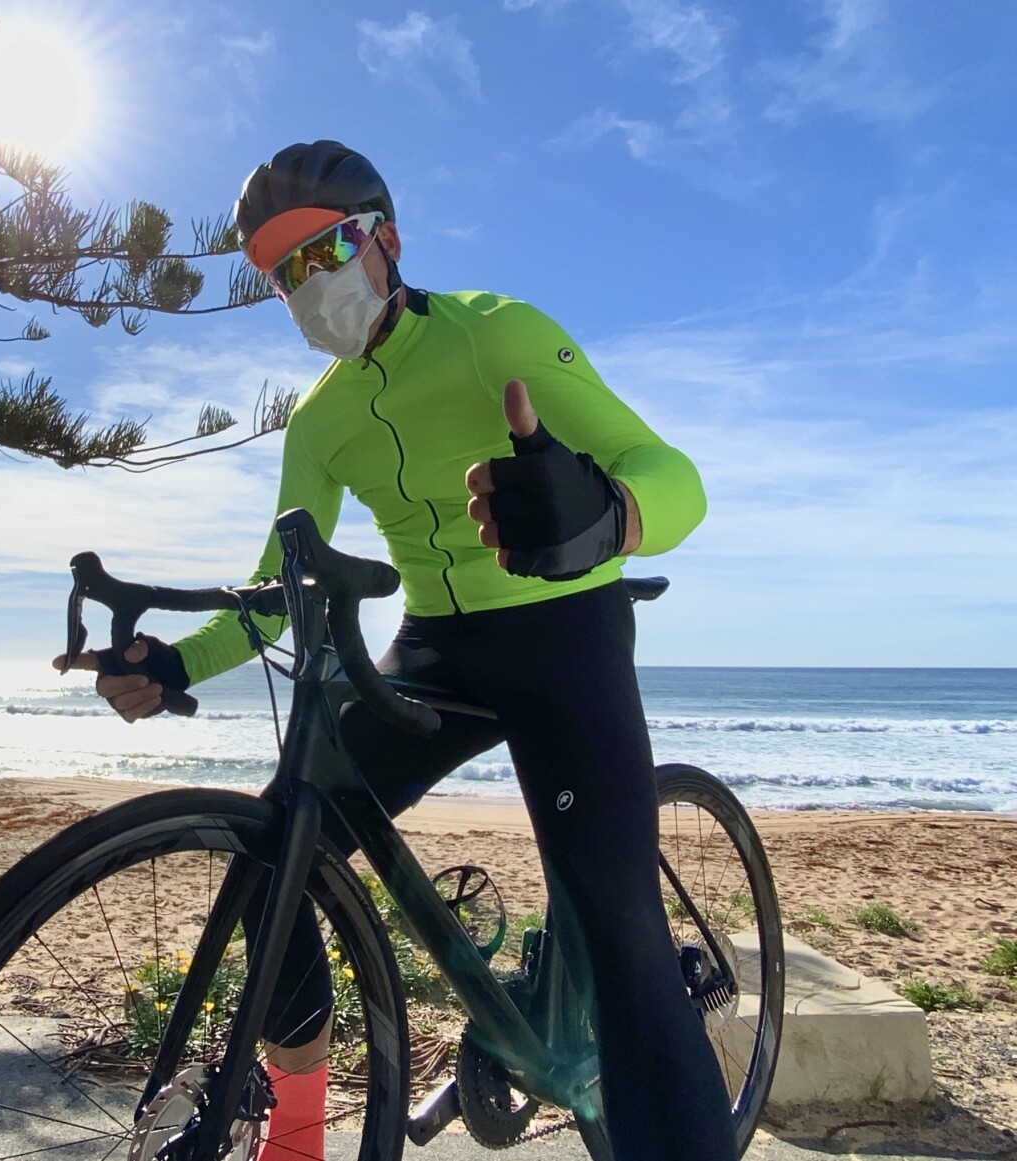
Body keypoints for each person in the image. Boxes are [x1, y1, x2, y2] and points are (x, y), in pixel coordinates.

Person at [58, 141, 732, 1161]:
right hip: (434, 651)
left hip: (563, 631)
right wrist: (176, 665)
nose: (307, 285)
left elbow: (670, 472)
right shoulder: (320, 422)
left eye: (322, 249)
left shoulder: (496, 334)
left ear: (386, 240)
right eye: (281, 272)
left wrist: (609, 516)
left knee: (616, 925)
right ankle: (297, 1129)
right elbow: (274, 593)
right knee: (277, 861)